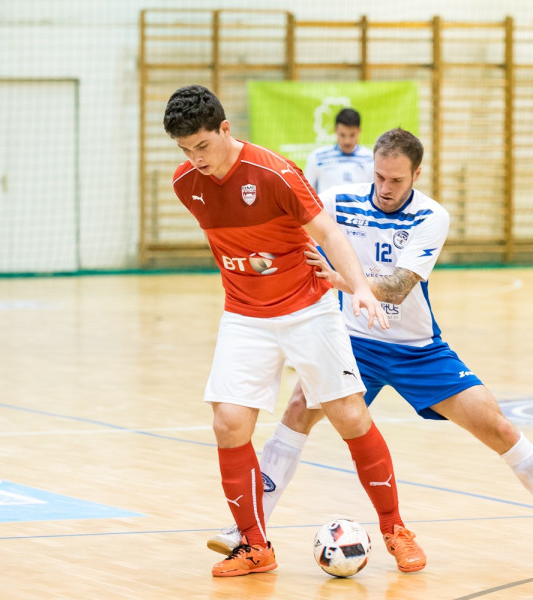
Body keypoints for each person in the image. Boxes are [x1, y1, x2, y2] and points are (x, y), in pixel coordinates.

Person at [207, 128, 533, 566]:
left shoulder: (430, 216)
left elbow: (399, 288)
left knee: (498, 427)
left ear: (417, 174)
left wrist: (343, 280)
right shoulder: (339, 201)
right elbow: (295, 230)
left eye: (396, 180)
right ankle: (249, 531)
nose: (385, 188)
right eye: (379, 176)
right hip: (355, 343)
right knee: (297, 411)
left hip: (417, 350)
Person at [163, 86, 427, 577]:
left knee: (350, 416)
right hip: (245, 315)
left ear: (225, 129)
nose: (195, 159)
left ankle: (395, 529)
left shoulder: (275, 172)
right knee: (228, 423)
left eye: (202, 145)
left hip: (307, 309)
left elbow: (328, 232)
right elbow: (233, 242)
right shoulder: (185, 184)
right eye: (185, 150)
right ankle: (254, 546)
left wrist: (360, 288)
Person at [303, 107, 373, 193]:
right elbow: (306, 191)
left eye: (352, 135)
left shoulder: (371, 158)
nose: (347, 141)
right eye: (342, 135)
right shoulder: (318, 157)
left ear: (359, 131)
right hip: (326, 202)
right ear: (335, 130)